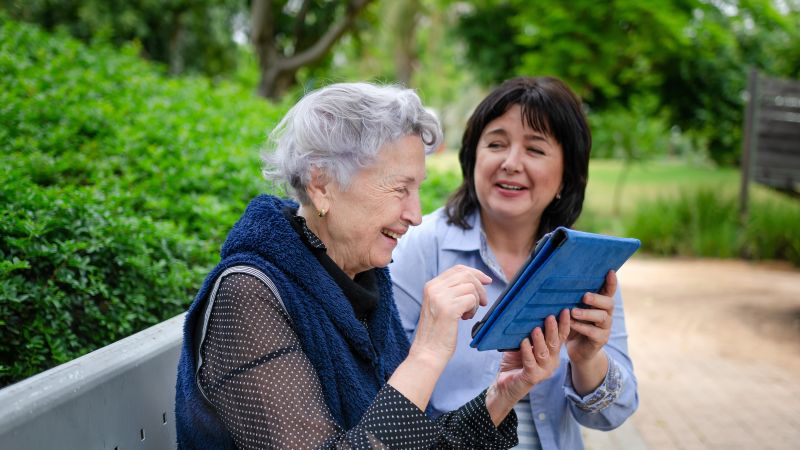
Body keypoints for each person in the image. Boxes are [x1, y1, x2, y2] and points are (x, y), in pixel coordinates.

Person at [174, 82, 573, 449]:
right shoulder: (247, 298)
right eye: (400, 189)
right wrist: (427, 354)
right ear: (321, 184)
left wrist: (502, 395)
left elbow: (414, 441)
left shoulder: (364, 279)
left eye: (418, 190)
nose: (416, 215)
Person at [390, 76, 638, 450]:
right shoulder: (418, 246)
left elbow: (613, 414)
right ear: (472, 157)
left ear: (566, 175)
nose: (510, 163)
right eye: (496, 144)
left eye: (535, 150)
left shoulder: (585, 263)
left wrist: (587, 358)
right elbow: (383, 394)